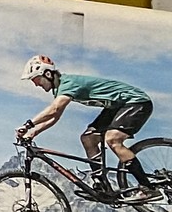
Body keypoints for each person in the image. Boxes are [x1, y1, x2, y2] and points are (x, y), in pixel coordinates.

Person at [17, 55, 155, 191]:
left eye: (36, 79)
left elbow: (54, 109)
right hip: (117, 106)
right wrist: (34, 132)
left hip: (137, 102)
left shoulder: (68, 83)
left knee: (113, 139)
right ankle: (103, 185)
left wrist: (28, 125)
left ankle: (148, 188)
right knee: (88, 138)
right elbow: (55, 117)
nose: (36, 84)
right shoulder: (59, 89)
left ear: (47, 74)